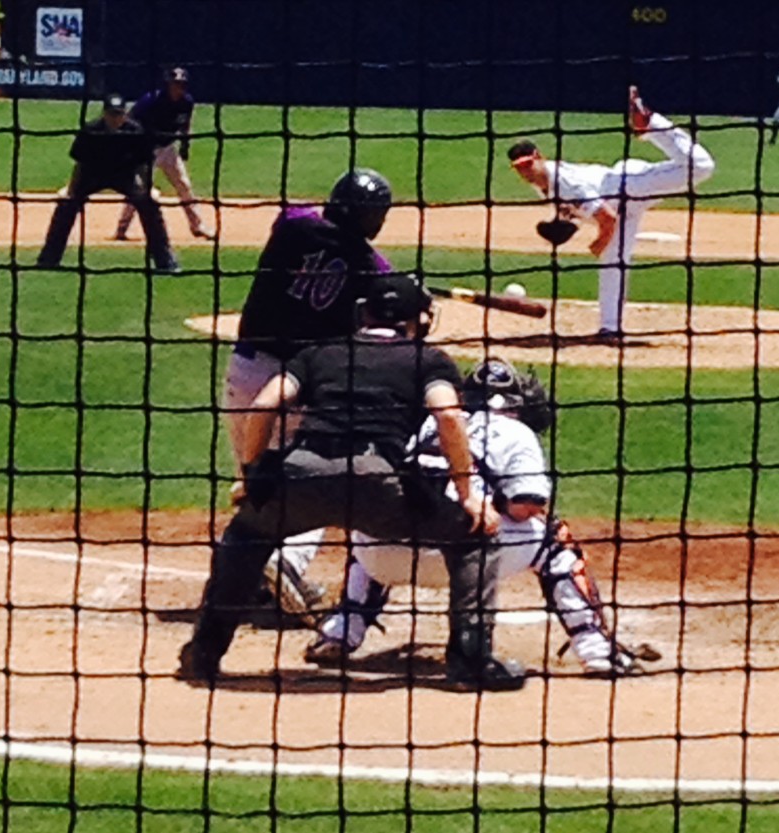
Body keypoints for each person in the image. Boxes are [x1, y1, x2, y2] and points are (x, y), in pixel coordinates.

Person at [178, 274, 526, 691]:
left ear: (364, 312)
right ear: (419, 319)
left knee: (245, 538)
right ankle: (469, 663)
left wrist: (254, 472)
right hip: (377, 484)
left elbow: (266, 401)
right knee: (474, 539)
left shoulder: (321, 352)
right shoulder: (427, 359)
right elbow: (449, 416)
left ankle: (203, 654)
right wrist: (468, 496)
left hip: (301, 476)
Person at [305, 358, 662, 676]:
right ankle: (596, 649)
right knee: (554, 539)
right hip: (465, 560)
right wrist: (491, 503)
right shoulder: (516, 431)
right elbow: (527, 504)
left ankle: (340, 631)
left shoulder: (424, 424)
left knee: (373, 516)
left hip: (382, 557)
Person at [223, 168, 395, 616]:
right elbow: (384, 298)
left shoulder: (293, 224)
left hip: (243, 375)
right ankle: (287, 561)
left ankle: (240, 583)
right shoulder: (372, 269)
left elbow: (298, 215)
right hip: (295, 388)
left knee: (255, 482)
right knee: (312, 484)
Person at [507, 86, 715, 341]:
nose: (525, 171)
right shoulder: (542, 184)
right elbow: (578, 210)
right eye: (519, 168)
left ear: (538, 157)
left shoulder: (563, 181)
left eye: (528, 164)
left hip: (628, 185)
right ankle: (610, 328)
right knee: (613, 264)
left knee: (701, 166)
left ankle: (651, 123)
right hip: (622, 204)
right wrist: (563, 223)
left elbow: (607, 219)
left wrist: (598, 241)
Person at [37, 93, 179, 273]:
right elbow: (80, 164)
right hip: (93, 175)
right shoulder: (91, 130)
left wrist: (147, 189)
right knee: (67, 204)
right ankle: (48, 259)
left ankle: (165, 261)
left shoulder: (135, 131)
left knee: (148, 204)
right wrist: (72, 189)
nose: (115, 119)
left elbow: (143, 164)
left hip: (124, 176)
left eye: (119, 114)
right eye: (112, 114)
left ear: (125, 114)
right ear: (104, 114)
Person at [114, 67, 213, 241]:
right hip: (146, 150)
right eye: (175, 84)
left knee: (184, 185)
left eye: (182, 84)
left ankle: (197, 226)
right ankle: (122, 228)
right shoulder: (151, 100)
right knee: (139, 189)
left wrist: (185, 144)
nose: (179, 88)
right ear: (168, 84)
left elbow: (185, 124)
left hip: (168, 149)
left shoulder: (187, 102)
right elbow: (129, 118)